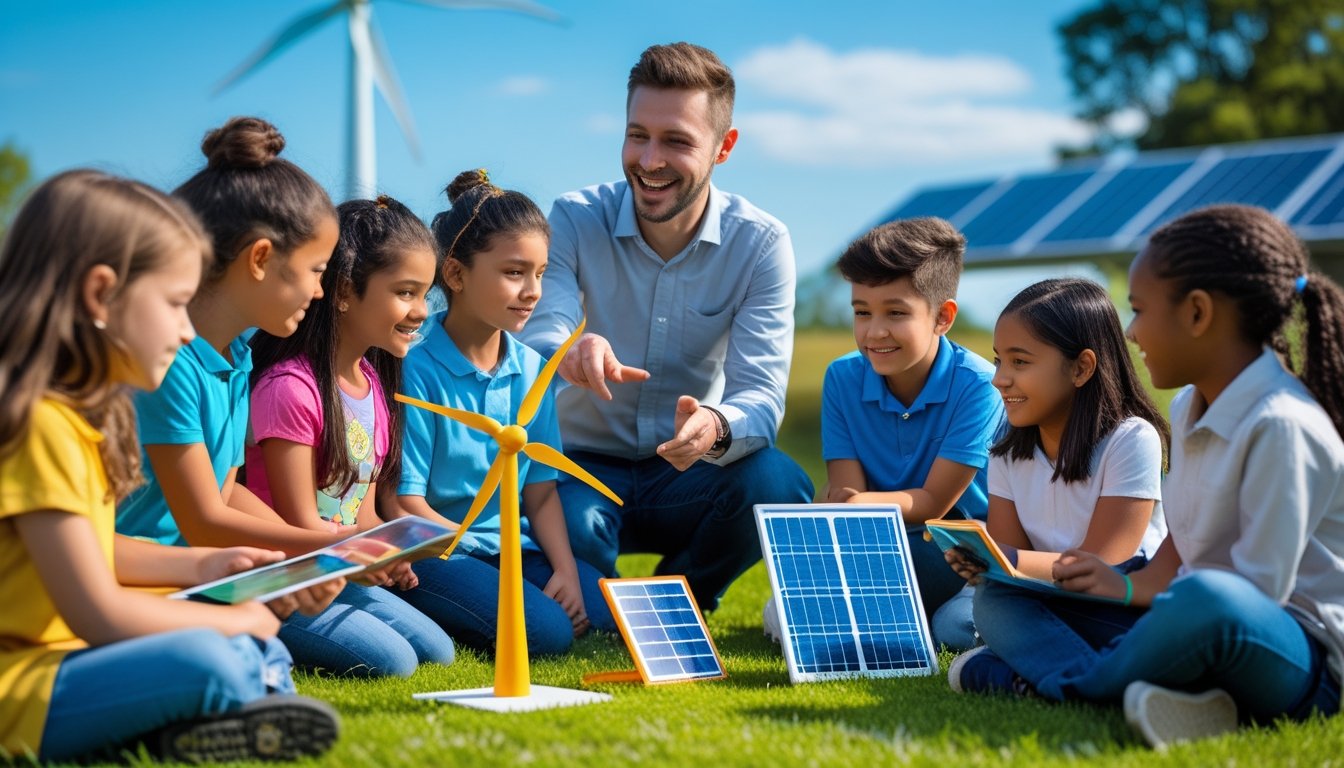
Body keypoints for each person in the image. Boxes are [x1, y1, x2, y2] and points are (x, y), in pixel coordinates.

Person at [952, 205, 1344, 750]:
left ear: (1198, 313)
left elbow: (1251, 596)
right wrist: (1127, 586)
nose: (1131, 333)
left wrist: (1155, 604)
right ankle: (1135, 687)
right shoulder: (1188, 408)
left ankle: (1059, 685)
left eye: (1138, 310)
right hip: (1185, 615)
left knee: (1208, 597)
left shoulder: (1282, 424)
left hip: (1293, 656)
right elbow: (1182, 544)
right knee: (999, 600)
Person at [0, 170, 340, 762]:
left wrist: (208, 563)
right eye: (175, 304)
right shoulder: (43, 426)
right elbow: (98, 610)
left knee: (244, 647)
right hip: (25, 685)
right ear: (101, 295)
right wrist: (235, 623)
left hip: (68, 655)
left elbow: (95, 546)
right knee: (214, 656)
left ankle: (220, 715)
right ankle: (234, 708)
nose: (184, 328)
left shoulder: (82, 420)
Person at [117, 117, 452, 678]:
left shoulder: (237, 357)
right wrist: (324, 547)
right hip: (172, 574)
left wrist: (337, 546)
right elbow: (203, 521)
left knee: (426, 653)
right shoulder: (170, 366)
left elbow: (227, 492)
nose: (321, 290)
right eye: (316, 271)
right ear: (260, 259)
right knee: (386, 661)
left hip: (220, 568)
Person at [519, 42, 814, 612]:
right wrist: (572, 350)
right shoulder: (574, 218)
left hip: (687, 472)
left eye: (677, 141)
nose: (649, 160)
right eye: (638, 135)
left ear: (724, 147)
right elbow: (539, 331)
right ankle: (599, 599)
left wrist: (716, 424)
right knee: (569, 532)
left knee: (777, 487)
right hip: (581, 468)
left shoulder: (762, 244)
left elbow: (760, 394)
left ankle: (683, 596)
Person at [393, 169, 616, 655]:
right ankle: (443, 609)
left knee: (607, 611)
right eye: (515, 273)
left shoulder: (534, 369)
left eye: (540, 273)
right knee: (548, 633)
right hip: (438, 550)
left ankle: (495, 602)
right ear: (454, 274)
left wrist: (563, 572)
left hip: (514, 551)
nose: (533, 291)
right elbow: (405, 503)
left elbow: (540, 495)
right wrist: (472, 554)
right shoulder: (413, 365)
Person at [246, 195, 457, 662]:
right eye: (405, 292)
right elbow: (298, 520)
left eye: (425, 294)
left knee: (437, 652)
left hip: (338, 566)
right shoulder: (290, 389)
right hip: (285, 575)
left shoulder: (372, 387)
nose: (421, 310)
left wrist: (389, 552)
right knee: (394, 661)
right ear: (343, 291)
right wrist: (358, 554)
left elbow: (360, 514)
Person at [935, 278, 1167, 651]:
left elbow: (1104, 564)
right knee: (961, 620)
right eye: (998, 360)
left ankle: (1040, 665)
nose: (1000, 379)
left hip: (1114, 600)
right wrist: (988, 562)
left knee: (993, 624)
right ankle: (1040, 658)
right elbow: (1012, 569)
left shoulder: (1132, 440)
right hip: (1043, 594)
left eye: (1020, 362)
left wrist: (1007, 558)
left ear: (1081, 368)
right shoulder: (1006, 453)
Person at [819, 217, 1004, 622]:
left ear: (942, 317)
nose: (875, 332)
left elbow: (934, 503)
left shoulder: (978, 385)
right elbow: (845, 487)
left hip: (954, 546)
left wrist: (851, 504)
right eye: (862, 312)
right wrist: (847, 502)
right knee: (787, 612)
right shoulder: (842, 377)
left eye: (896, 313)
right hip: (876, 538)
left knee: (950, 624)